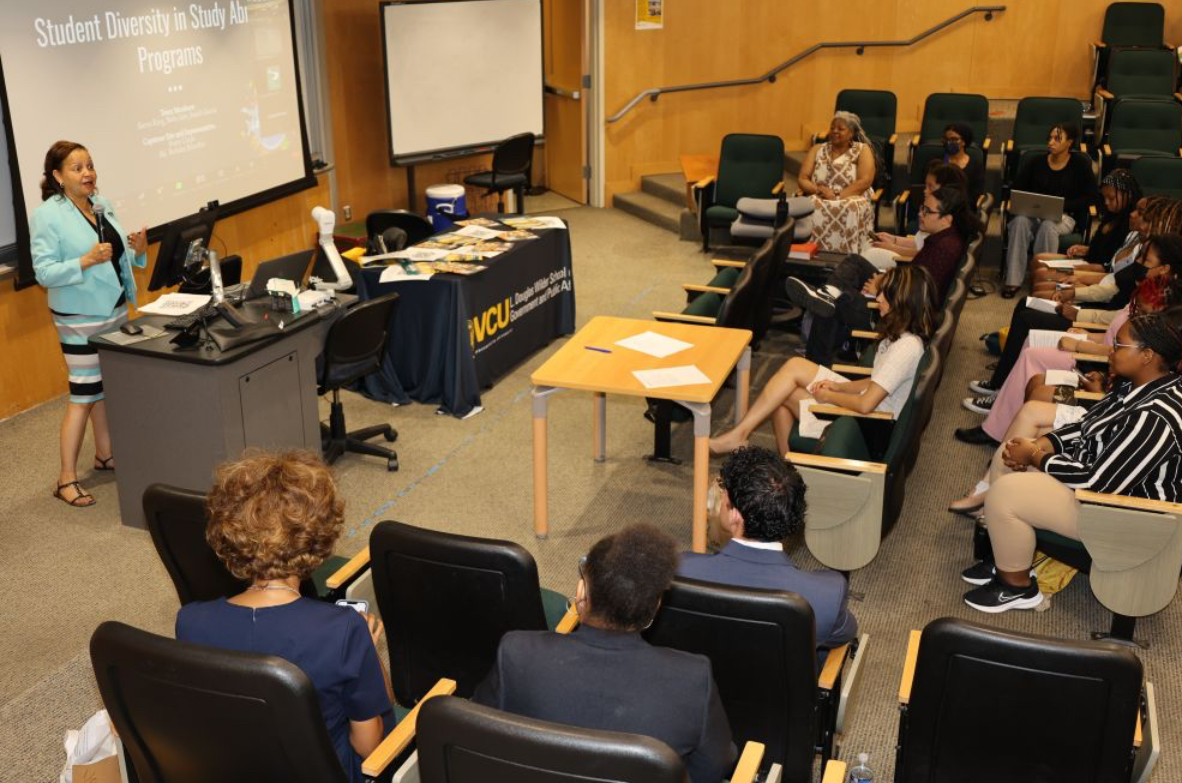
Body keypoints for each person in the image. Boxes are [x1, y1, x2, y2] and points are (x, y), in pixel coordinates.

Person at [176, 450, 394, 783]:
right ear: (318, 539)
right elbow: (371, 748)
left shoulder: (191, 622)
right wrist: (370, 652)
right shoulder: (344, 631)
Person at [473, 524, 735, 783]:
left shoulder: (517, 653)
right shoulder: (692, 681)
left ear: (582, 592)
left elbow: (476, 732)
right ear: (655, 607)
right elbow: (713, 768)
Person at [960, 309, 1182, 613]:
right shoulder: (1134, 385)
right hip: (1098, 492)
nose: (1111, 351)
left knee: (1005, 493)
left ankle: (1017, 587)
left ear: (1147, 355)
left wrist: (1037, 457)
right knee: (1008, 452)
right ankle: (1007, 555)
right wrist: (1044, 443)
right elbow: (1087, 425)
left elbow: (1098, 482)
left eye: (1119, 345)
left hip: (1126, 518)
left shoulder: (1155, 417)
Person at [957, 235, 1182, 442]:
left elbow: (1117, 357)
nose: (1139, 264)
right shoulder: (1144, 303)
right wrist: (1087, 337)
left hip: (1096, 377)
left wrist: (1082, 346)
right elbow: (1115, 337)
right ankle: (1001, 416)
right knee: (1031, 351)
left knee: (1036, 376)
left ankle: (1001, 430)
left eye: (1146, 259)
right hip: (1100, 370)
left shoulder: (1152, 335)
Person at [711, 264, 937, 456]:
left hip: (867, 426)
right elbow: (878, 380)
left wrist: (829, 395)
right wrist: (839, 387)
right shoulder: (902, 337)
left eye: (885, 294)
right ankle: (775, 459)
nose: (878, 298)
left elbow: (866, 404)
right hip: (869, 410)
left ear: (902, 300)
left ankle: (750, 442)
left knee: (783, 395)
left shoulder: (906, 348)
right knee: (793, 368)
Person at [32, 141, 148, 507]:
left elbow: (114, 256)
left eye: (90, 165)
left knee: (104, 386)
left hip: (113, 308)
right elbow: (43, 272)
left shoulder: (102, 204)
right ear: (57, 176)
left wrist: (138, 250)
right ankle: (65, 479)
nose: (88, 173)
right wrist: (84, 261)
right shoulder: (48, 216)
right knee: (83, 394)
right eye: (77, 168)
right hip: (80, 316)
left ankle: (105, 454)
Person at [679, 446, 857, 667]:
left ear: (735, 515)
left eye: (724, 493)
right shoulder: (825, 595)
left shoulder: (682, 570)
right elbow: (843, 634)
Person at [785, 187, 974, 366]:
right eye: (922, 208)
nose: (920, 214)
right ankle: (828, 292)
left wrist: (884, 287)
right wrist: (888, 280)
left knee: (839, 302)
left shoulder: (944, 250)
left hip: (899, 314)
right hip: (901, 297)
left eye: (927, 211)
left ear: (946, 219)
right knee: (855, 263)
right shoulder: (944, 240)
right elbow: (916, 276)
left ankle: (815, 363)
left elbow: (917, 297)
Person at [1002, 124, 1098, 296]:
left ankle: (1043, 281)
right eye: (1050, 138)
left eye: (1057, 139)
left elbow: (1091, 196)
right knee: (1019, 222)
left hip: (1064, 216)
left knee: (1048, 225)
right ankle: (1013, 281)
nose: (1051, 142)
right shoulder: (1036, 162)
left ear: (1069, 142)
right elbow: (1016, 189)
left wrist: (1063, 205)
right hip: (1033, 214)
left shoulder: (1080, 164)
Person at [1030, 168, 1141, 280]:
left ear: (1128, 195)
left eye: (1111, 198)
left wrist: (1078, 268)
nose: (1106, 202)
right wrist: (1086, 249)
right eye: (1104, 197)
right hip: (1090, 262)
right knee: (1038, 260)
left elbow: (1110, 264)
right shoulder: (1111, 215)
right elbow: (1102, 249)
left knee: (1042, 273)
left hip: (1101, 272)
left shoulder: (1131, 224)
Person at [797, 111, 877, 254]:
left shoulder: (862, 150)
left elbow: (865, 181)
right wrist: (818, 191)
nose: (834, 131)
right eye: (832, 128)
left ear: (851, 133)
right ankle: (812, 254)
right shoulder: (817, 149)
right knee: (811, 203)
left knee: (852, 207)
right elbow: (803, 178)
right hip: (821, 195)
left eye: (840, 129)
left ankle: (850, 255)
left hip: (853, 196)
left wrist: (837, 195)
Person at [865, 162, 968, 269]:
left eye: (931, 187)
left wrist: (892, 247)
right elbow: (919, 243)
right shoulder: (939, 218)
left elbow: (924, 253)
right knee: (868, 247)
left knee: (869, 255)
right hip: (912, 262)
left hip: (910, 265)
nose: (925, 191)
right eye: (926, 186)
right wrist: (893, 239)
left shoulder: (942, 223)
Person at [940, 122, 985, 207]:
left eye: (954, 139)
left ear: (964, 142)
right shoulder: (938, 163)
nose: (949, 142)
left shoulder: (975, 166)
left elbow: (976, 194)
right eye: (946, 139)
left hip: (964, 208)